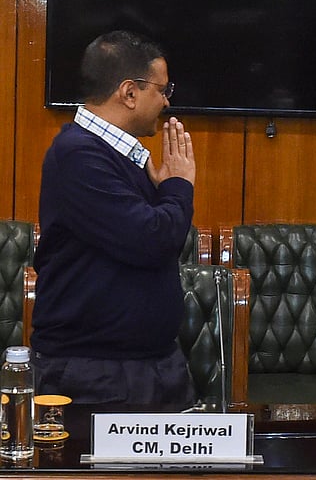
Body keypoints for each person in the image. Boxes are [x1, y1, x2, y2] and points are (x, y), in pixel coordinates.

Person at [31, 30, 197, 406]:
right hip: (97, 374)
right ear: (129, 92)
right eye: (163, 89)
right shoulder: (78, 155)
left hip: (151, 364)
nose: (167, 101)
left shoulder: (119, 155)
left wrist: (166, 192)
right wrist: (178, 186)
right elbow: (153, 240)